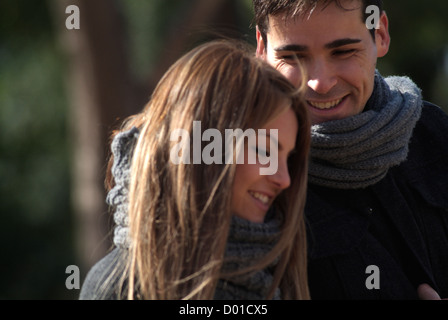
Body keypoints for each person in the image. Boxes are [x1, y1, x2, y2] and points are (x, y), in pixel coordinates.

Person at [79, 40, 311, 300]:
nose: (284, 179)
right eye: (265, 151)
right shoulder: (119, 287)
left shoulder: (284, 270)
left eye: (287, 158)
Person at [253, 0, 448, 299]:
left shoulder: (434, 134)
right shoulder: (246, 173)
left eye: (343, 52)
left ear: (380, 33)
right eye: (293, 57)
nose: (320, 83)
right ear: (261, 48)